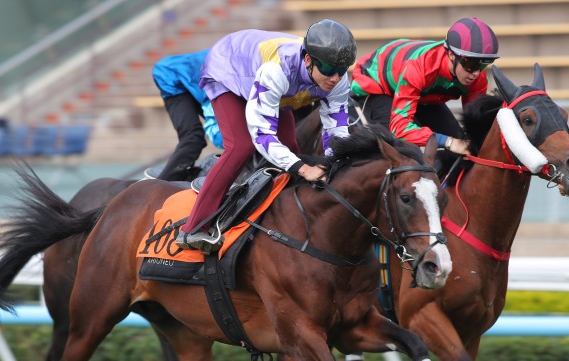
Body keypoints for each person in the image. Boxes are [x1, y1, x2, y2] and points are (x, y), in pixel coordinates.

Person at [175, 19, 357, 252]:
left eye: (342, 71)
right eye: (330, 70)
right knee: (241, 146)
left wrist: (337, 168)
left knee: (291, 148)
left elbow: (337, 133)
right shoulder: (277, 70)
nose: (335, 78)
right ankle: (193, 229)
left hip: (269, 78)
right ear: (309, 60)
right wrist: (304, 169)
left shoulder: (338, 81)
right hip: (229, 67)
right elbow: (262, 135)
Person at [350, 17, 499, 155]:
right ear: (452, 55)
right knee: (405, 150)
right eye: (471, 64)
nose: (475, 73)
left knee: (463, 144)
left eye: (483, 64)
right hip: (377, 86)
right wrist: (448, 142)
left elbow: (473, 128)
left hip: (421, 93)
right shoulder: (419, 68)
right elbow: (400, 129)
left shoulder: (477, 77)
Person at [148, 49, 224, 181]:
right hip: (171, 78)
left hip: (198, 80)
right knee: (193, 138)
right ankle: (162, 184)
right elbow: (221, 136)